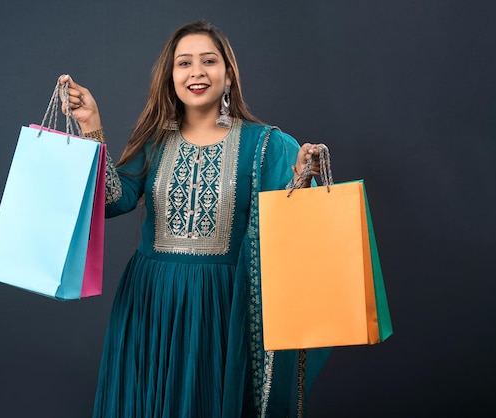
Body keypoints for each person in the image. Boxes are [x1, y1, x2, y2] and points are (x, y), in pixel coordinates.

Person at [59, 20, 329, 418]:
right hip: (151, 304)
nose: (197, 72)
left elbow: (292, 231)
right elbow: (112, 201)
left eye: (209, 61)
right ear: (171, 77)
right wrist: (90, 125)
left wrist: (302, 177)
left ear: (228, 74)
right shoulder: (153, 140)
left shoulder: (268, 144)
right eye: (184, 63)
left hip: (221, 309)